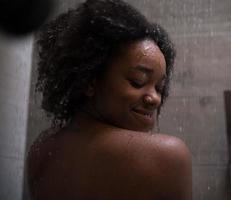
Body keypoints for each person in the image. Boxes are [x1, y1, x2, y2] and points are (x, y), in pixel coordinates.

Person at [26, 0, 192, 199]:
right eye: (138, 81)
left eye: (160, 88)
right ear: (89, 81)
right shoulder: (168, 156)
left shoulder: (41, 151)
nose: (155, 98)